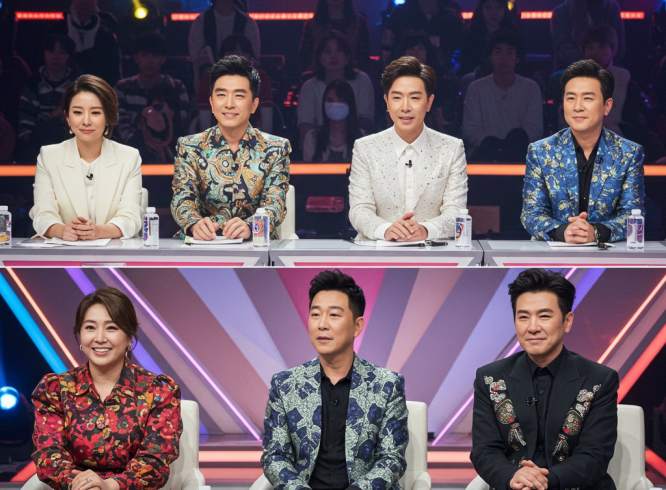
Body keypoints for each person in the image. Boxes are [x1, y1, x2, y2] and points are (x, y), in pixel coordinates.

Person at [471, 268, 618, 489]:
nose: (532, 328)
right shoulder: (490, 378)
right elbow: (484, 451)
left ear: (567, 321)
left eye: (544, 316)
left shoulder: (599, 380)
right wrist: (514, 477)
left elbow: (594, 455)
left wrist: (543, 482)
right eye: (523, 317)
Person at [261, 270, 408, 489]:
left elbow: (391, 459)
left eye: (334, 315)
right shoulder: (285, 385)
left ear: (357, 326)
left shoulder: (386, 385)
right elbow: (275, 456)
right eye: (315, 314)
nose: (322, 324)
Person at [32, 287, 182, 489]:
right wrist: (84, 485)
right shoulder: (55, 390)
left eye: (111, 328)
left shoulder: (158, 391)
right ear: (79, 336)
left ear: (129, 337)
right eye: (90, 327)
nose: (100, 338)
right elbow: (49, 455)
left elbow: (155, 460)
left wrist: (110, 485)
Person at [521, 59, 645, 243]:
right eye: (570, 98)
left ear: (607, 106)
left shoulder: (629, 153)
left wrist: (595, 232)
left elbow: (633, 214)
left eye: (587, 98)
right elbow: (531, 214)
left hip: (607, 255)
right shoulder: (541, 151)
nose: (577, 107)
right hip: (552, 252)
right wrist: (563, 231)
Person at [171, 55, 291, 241]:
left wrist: (251, 226)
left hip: (255, 244)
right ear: (211, 103)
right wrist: (195, 224)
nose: (229, 104)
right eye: (221, 95)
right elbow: (182, 199)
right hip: (203, 244)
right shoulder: (190, 147)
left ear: (254, 105)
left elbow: (275, 204)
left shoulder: (275, 149)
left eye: (239, 96)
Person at [348, 56, 468, 241]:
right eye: (397, 98)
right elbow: (359, 209)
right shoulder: (365, 148)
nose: (405, 107)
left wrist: (426, 230)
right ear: (387, 102)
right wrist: (386, 230)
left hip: (432, 251)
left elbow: (456, 211)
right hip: (379, 250)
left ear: (429, 102)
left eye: (414, 98)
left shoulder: (451, 148)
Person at [30, 74, 143, 240]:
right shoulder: (49, 157)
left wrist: (99, 231)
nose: (86, 121)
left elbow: (131, 217)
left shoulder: (129, 158)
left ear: (108, 117)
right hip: (63, 251)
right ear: (67, 117)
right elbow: (42, 214)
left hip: (113, 251)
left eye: (95, 113)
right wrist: (62, 230)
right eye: (77, 112)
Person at [463, 30, 542, 162]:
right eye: (498, 52)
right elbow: (470, 129)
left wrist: (513, 145)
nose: (503, 58)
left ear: (517, 58)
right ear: (490, 57)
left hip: (521, 156)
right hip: (484, 156)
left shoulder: (531, 88)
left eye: (509, 52)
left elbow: (535, 129)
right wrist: (492, 145)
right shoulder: (476, 88)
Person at [115, 32, 190, 164]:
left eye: (155, 56)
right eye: (145, 55)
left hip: (171, 158)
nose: (150, 61)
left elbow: (182, 124)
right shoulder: (123, 88)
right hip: (131, 158)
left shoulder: (176, 87)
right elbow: (121, 127)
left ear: (163, 59)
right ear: (136, 58)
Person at [297, 31, 375, 147]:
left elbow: (366, 120)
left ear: (347, 56)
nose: (333, 56)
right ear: (319, 57)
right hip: (319, 146)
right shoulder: (309, 87)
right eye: (327, 51)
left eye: (339, 51)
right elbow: (305, 125)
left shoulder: (362, 80)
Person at [17, 35, 78, 163]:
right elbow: (25, 128)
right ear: (44, 53)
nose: (55, 57)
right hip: (38, 147)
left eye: (61, 52)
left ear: (69, 56)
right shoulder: (33, 83)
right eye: (51, 51)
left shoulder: (78, 85)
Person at [551, 0, 625, 69]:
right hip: (573, 72)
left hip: (607, 70)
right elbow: (564, 50)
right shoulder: (561, 12)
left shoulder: (611, 7)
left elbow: (618, 47)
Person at [299, 0, 370, 71]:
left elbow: (364, 57)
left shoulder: (359, 24)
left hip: (352, 74)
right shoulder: (312, 25)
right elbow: (305, 57)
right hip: (319, 75)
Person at [64, 0, 121, 85]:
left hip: (100, 82)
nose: (85, 3)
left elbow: (114, 60)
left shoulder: (108, 21)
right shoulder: (61, 20)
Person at [303, 79, 362, 162]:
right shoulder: (312, 138)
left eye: (340, 100)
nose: (335, 105)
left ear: (350, 104)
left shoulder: (362, 139)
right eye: (330, 100)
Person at [459, 0, 518, 78]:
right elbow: (465, 63)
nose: (494, 13)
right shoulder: (470, 35)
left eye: (498, 8)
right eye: (488, 8)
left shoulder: (513, 34)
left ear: (505, 10)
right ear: (481, 10)